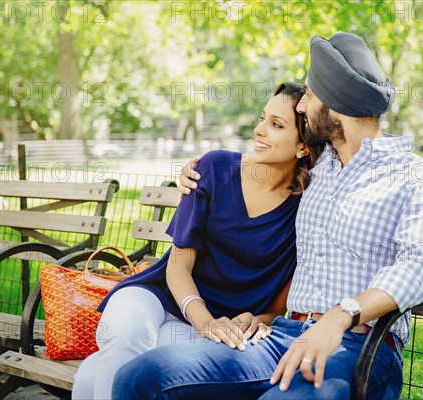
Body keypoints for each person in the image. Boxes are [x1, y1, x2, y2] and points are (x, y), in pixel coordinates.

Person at [112, 32, 423, 399]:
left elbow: (422, 264)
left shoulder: (417, 176)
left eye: (308, 95)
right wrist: (202, 171)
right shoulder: (317, 170)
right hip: (281, 336)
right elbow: (257, 162)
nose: (302, 107)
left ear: (335, 102)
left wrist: (341, 316)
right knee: (139, 377)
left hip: (360, 348)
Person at [71, 82, 320, 399]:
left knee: (112, 374)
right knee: (126, 333)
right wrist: (205, 323)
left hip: (220, 330)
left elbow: (275, 307)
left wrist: (251, 321)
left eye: (276, 125)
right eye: (262, 118)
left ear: (302, 147)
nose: (259, 130)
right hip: (161, 297)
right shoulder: (214, 169)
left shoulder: (305, 211)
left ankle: (93, 377)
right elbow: (178, 266)